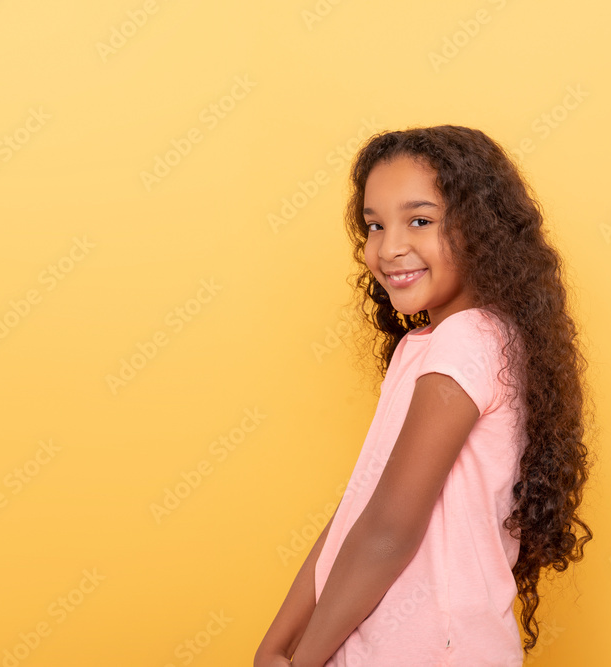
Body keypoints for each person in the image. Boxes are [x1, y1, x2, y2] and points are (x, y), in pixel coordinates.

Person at [254, 125, 593, 666]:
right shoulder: (435, 344)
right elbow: (361, 512)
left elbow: (389, 531)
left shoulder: (467, 339)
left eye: (420, 220)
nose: (389, 247)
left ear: (482, 228)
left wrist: (302, 657)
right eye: (375, 225)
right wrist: (277, 645)